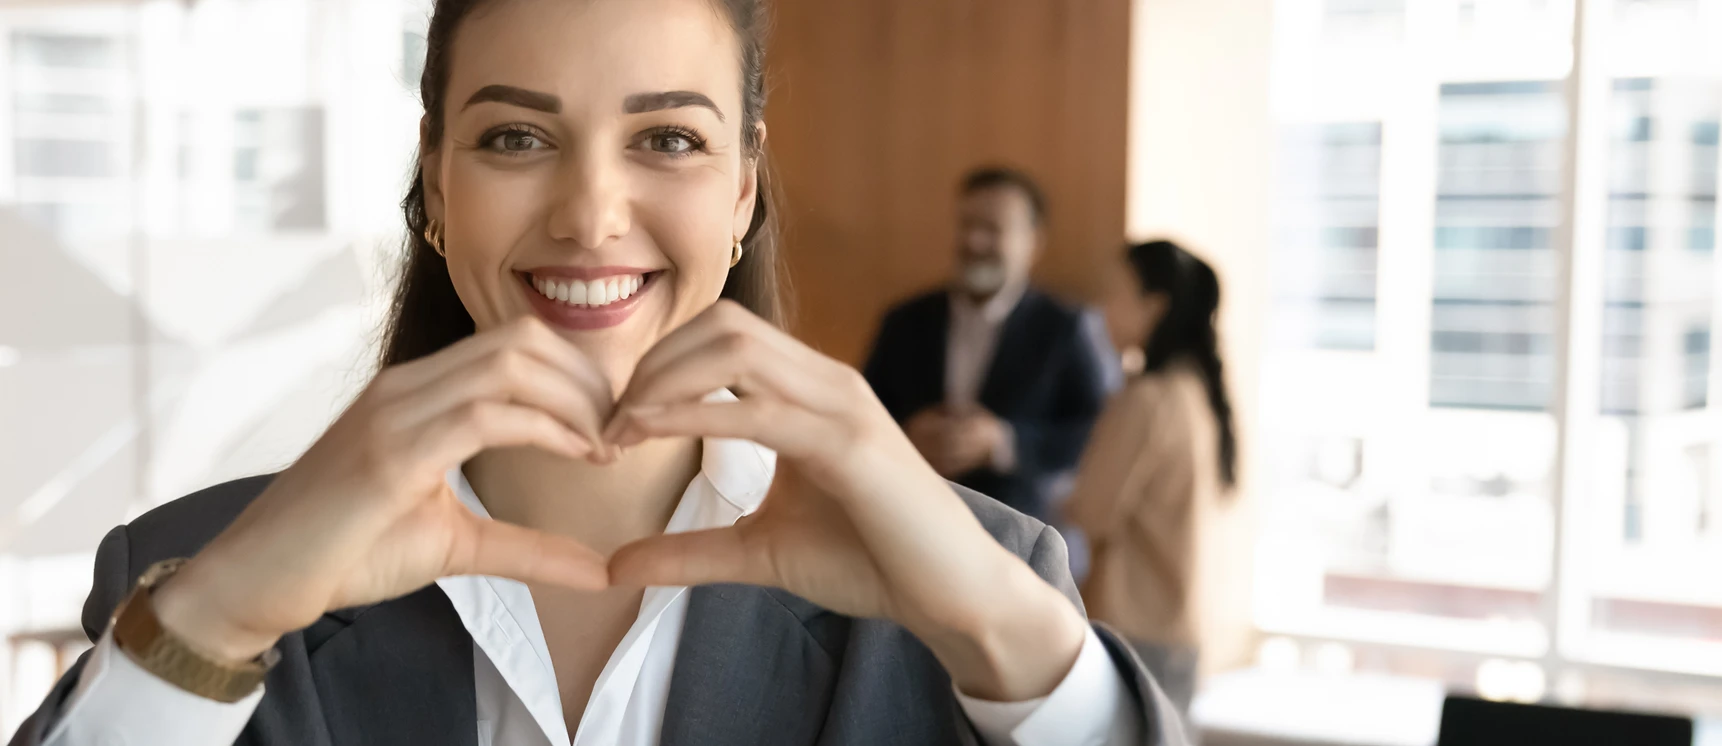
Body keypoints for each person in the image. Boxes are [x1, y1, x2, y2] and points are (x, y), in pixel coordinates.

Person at [7, 2, 1186, 744]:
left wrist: (999, 634)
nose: (589, 213)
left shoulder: (982, 591)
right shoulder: (187, 577)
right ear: (435, 183)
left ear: (740, 192)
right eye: (514, 137)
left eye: (667, 138)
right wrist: (215, 616)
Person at [863, 168, 1109, 524]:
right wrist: (904, 435)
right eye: (966, 224)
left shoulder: (1064, 327)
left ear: (1033, 242)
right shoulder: (904, 320)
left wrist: (1002, 442)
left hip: (1017, 533)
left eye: (993, 229)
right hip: (911, 519)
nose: (974, 241)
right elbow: (866, 407)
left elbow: (1094, 431)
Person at [1064, 240, 1237, 717]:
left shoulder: (1147, 399)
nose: (1101, 310)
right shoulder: (1195, 392)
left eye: (1114, 294)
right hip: (1179, 626)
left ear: (1154, 306)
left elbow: (1091, 511)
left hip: (1132, 627)